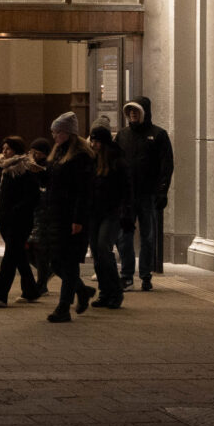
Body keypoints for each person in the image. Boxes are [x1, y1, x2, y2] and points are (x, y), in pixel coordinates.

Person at [33, 113, 93, 322]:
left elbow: (82, 191)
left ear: (69, 133)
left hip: (70, 217)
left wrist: (78, 219)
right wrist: (38, 171)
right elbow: (52, 182)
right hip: (55, 215)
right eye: (53, 132)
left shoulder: (80, 157)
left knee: (67, 262)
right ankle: (82, 291)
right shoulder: (57, 154)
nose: (54, 135)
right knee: (57, 262)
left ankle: (63, 308)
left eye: (57, 131)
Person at [119, 97, 174, 291]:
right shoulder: (123, 135)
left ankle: (145, 275)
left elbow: (166, 165)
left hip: (148, 194)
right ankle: (126, 275)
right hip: (126, 195)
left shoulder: (158, 135)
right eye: (130, 111)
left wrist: (162, 191)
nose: (133, 114)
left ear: (145, 112)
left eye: (136, 111)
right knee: (124, 235)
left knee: (147, 236)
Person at [0, 136, 44, 307]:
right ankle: (31, 290)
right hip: (3, 219)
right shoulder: (1, 168)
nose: (4, 151)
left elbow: (33, 196)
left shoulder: (24, 169)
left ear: (16, 150)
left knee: (10, 256)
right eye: (3, 148)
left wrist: (16, 210)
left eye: (8, 149)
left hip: (20, 221)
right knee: (18, 255)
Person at [84, 122, 130, 308]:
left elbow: (127, 190)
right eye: (92, 141)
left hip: (111, 212)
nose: (93, 145)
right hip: (94, 213)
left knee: (103, 248)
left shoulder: (117, 162)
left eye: (96, 142)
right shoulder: (92, 161)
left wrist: (126, 212)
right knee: (96, 251)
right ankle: (105, 292)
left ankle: (115, 291)